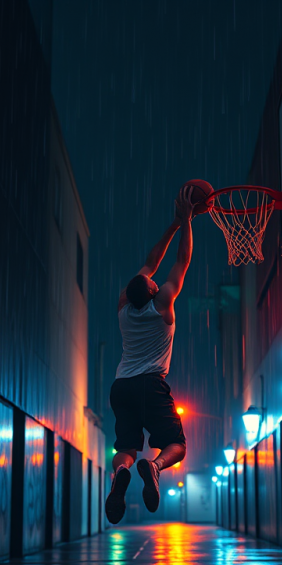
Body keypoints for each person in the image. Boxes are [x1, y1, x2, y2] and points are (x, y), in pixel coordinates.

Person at [104, 187, 198, 524]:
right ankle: (154, 467)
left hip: (121, 386)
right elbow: (181, 261)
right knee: (177, 444)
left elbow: (150, 263)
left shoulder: (122, 308)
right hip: (149, 384)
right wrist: (185, 222)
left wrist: (172, 225)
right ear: (153, 290)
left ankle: (121, 475)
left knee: (125, 448)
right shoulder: (163, 305)